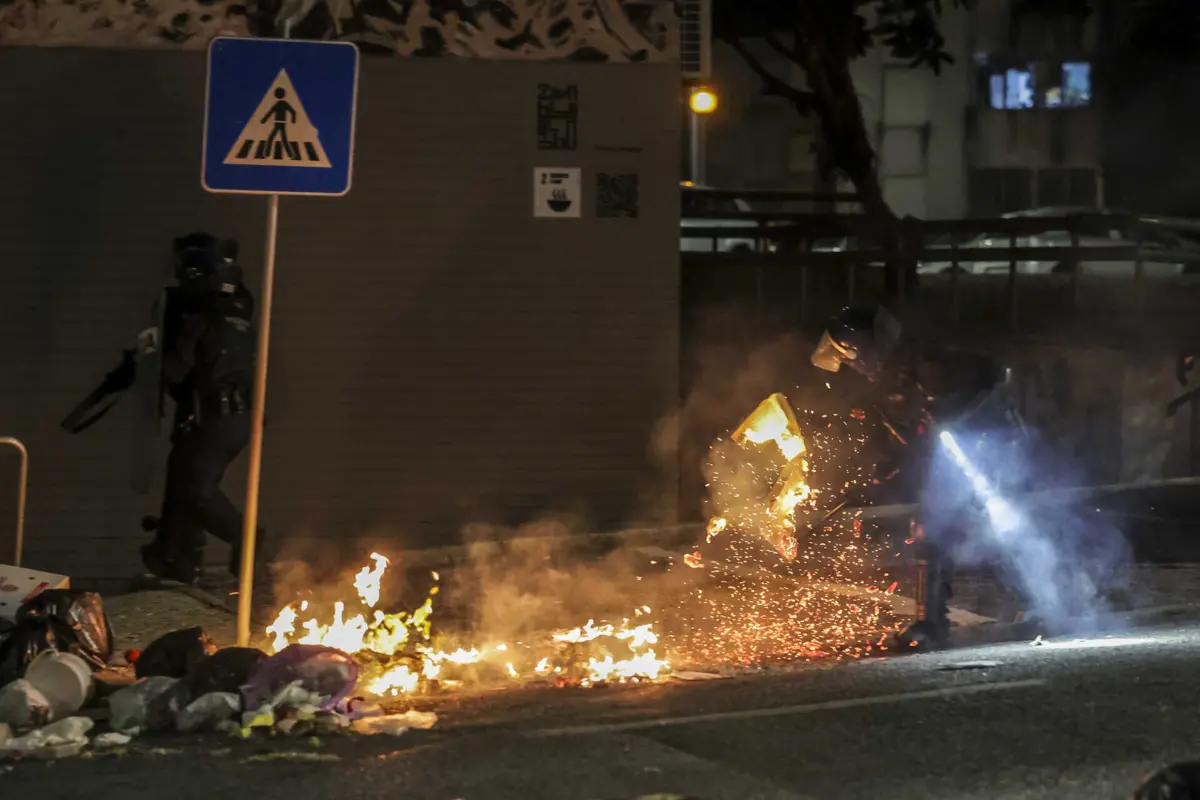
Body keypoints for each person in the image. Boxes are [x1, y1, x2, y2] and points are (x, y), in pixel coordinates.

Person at [810, 304, 1028, 650]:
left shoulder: (926, 364)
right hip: (958, 456)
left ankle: (1034, 602)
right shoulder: (892, 383)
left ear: (868, 346)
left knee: (974, 529)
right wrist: (881, 475)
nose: (855, 365)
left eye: (854, 356)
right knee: (948, 532)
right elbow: (907, 438)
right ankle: (935, 623)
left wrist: (956, 421)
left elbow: (995, 385)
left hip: (986, 450)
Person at [140, 232, 265, 587]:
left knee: (196, 491)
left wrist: (148, 356)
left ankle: (246, 539)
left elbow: (173, 371)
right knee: (182, 479)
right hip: (234, 417)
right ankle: (175, 558)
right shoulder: (236, 312)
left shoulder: (198, 316)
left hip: (214, 419)